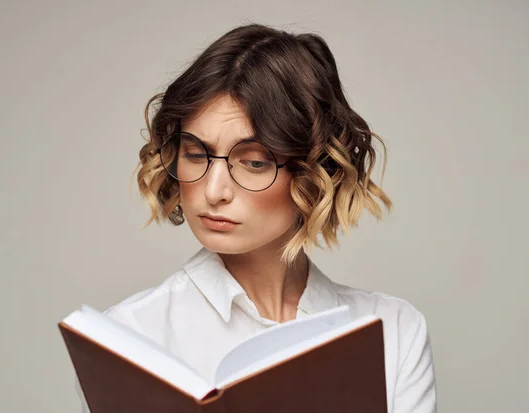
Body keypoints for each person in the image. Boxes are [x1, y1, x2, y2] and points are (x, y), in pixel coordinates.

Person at [74, 23, 437, 413]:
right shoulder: (130, 340)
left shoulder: (392, 331)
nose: (214, 191)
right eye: (196, 154)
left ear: (315, 170)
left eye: (253, 162)